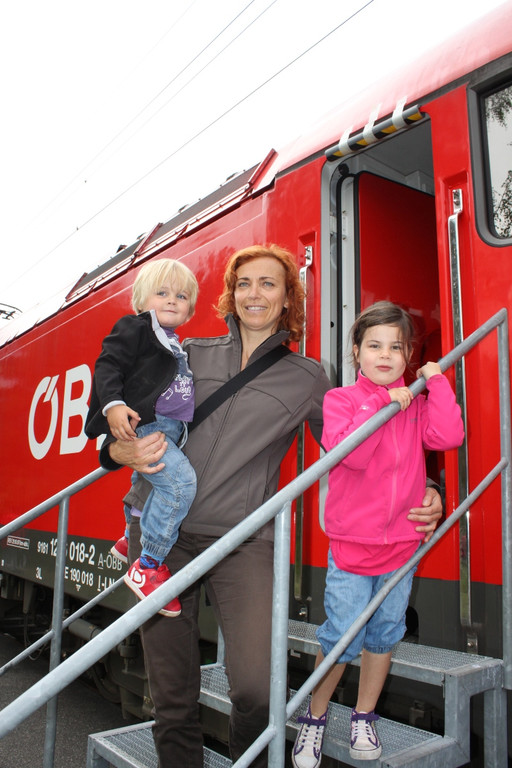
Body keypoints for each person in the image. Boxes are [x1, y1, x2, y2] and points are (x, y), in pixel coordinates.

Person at [99, 249, 443, 768]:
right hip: (161, 537)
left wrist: (429, 486)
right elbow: (124, 408)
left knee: (258, 689)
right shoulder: (188, 353)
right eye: (244, 283)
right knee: (171, 695)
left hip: (244, 540)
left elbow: (357, 447)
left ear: (287, 298)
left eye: (268, 284)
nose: (254, 294)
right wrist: (114, 452)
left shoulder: (307, 377)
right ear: (231, 294)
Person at [291, 301, 464, 767]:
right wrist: (381, 403)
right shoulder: (341, 401)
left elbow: (448, 436)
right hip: (353, 547)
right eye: (374, 346)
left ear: (408, 355)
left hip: (402, 545)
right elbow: (353, 455)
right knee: (342, 637)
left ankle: (364, 716)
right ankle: (315, 716)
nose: (385, 355)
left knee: (384, 634)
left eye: (396, 347)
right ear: (357, 351)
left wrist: (437, 382)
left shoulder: (416, 402)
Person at [86, 258, 198, 617]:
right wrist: (113, 404)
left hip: (169, 427)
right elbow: (108, 365)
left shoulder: (174, 341)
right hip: (148, 423)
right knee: (180, 484)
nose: (172, 300)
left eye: (181, 296)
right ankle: (148, 564)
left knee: (147, 481)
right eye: (161, 293)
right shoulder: (135, 328)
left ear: (190, 308)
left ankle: (127, 535)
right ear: (141, 299)